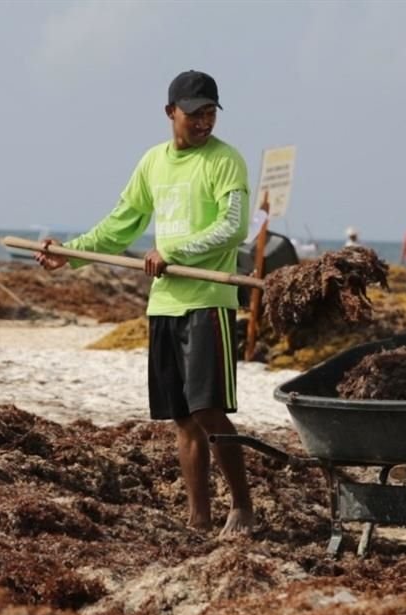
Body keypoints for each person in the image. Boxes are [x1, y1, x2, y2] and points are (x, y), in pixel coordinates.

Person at [35, 70, 254, 537]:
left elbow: (234, 227)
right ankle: (198, 519)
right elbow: (121, 224)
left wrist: (174, 252)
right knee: (181, 418)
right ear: (170, 112)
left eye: (210, 112)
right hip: (165, 304)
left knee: (208, 410)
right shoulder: (153, 163)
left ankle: (242, 507)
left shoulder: (225, 161)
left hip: (208, 301)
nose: (204, 121)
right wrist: (69, 257)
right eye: (194, 112)